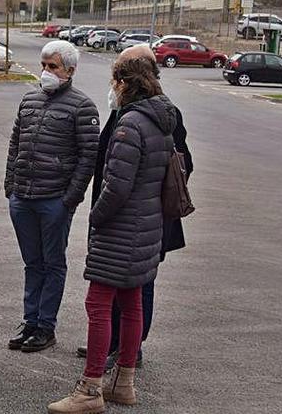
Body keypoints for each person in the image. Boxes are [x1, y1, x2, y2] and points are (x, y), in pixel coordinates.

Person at [48, 55, 177, 414]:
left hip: (121, 229)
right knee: (131, 303)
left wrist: (96, 217)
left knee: (98, 304)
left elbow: (117, 187)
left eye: (114, 81)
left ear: (123, 83)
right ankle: (124, 382)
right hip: (148, 226)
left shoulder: (130, 125)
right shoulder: (162, 120)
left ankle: (90, 388)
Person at [75, 44, 193, 369]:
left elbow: (180, 166)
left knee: (136, 291)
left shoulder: (150, 117)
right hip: (129, 218)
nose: (114, 81)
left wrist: (101, 213)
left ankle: (128, 350)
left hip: (136, 219)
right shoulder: (125, 112)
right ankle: (111, 345)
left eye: (120, 72)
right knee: (122, 292)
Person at [5, 40, 99, 353]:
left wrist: (69, 199)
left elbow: (89, 157)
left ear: (70, 71)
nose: (46, 71)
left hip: (54, 200)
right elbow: (15, 143)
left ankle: (46, 326)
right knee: (33, 263)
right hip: (23, 198)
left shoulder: (82, 106)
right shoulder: (29, 98)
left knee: (53, 263)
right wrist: (11, 186)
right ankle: (30, 321)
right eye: (44, 65)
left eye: (53, 66)